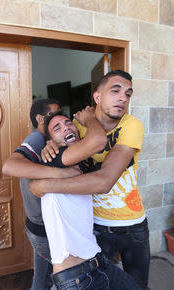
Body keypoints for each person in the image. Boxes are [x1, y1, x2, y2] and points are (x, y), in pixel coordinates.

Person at [31, 70, 150, 289]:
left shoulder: (132, 125)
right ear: (97, 97)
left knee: (138, 284)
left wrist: (45, 185)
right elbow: (63, 140)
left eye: (128, 93)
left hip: (132, 225)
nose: (123, 98)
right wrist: (53, 144)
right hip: (95, 227)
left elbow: (105, 181)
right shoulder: (78, 128)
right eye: (115, 91)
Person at [41, 111, 139, 290]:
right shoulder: (54, 158)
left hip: (98, 262)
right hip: (77, 278)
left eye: (68, 123)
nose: (66, 127)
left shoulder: (77, 167)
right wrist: (89, 119)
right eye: (58, 128)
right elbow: (98, 140)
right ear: (50, 143)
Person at [2, 98, 81, 290]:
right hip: (43, 228)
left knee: (42, 276)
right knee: (58, 278)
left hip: (38, 225)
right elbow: (9, 165)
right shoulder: (37, 138)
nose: (58, 119)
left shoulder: (51, 142)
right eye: (52, 115)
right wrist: (64, 174)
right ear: (40, 118)